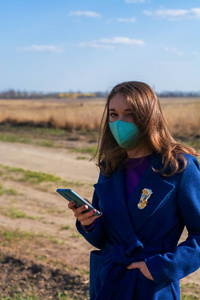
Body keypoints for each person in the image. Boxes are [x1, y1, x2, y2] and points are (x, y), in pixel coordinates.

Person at [68, 81, 200, 300]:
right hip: (109, 281)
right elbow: (105, 238)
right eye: (114, 114)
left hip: (152, 287)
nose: (120, 122)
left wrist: (161, 267)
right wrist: (89, 223)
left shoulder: (178, 167)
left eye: (130, 114)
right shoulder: (110, 166)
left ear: (149, 116)